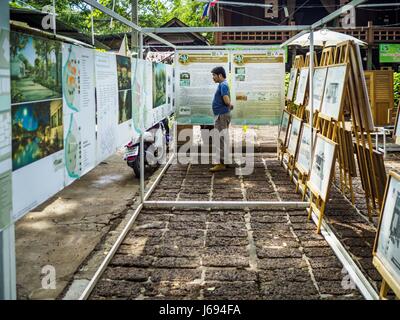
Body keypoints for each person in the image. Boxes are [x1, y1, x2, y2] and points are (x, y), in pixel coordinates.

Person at [209, 66, 233, 172]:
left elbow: (226, 100)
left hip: (222, 115)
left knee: (220, 139)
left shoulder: (223, 85)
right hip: (222, 115)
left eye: (214, 75)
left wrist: (229, 104)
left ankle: (221, 163)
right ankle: (224, 161)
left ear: (220, 75)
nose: (213, 77)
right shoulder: (222, 84)